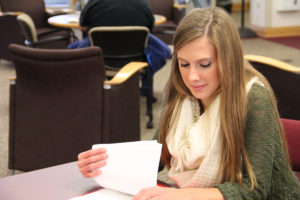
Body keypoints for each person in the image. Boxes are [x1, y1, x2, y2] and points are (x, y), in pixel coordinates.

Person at [77, 8, 300, 199]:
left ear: (228, 60)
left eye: (204, 64)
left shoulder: (253, 98)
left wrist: (181, 195)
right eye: (184, 64)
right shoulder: (183, 89)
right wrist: (106, 164)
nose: (192, 77)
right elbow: (158, 156)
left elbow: (256, 190)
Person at [68, 0, 171, 97]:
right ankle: (145, 85)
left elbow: (82, 26)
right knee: (162, 50)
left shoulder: (94, 2)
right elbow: (149, 28)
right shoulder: (142, 3)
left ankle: (90, 88)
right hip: (136, 58)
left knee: (72, 50)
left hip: (102, 57)